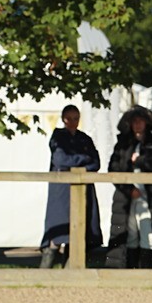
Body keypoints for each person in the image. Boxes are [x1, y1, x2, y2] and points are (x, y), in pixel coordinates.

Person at [105, 106, 152, 268]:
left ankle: (147, 268)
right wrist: (129, 190)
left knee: (148, 231)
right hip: (126, 196)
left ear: (146, 123)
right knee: (130, 232)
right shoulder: (123, 143)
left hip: (150, 195)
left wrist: (141, 161)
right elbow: (114, 169)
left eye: (140, 121)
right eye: (134, 121)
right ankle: (129, 268)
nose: (137, 125)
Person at [38, 105, 103, 268]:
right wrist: (83, 160)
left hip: (83, 190)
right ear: (63, 119)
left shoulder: (85, 139)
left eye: (76, 118)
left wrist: (78, 164)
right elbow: (61, 160)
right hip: (61, 192)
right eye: (69, 118)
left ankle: (70, 274)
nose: (73, 122)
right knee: (57, 233)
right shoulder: (58, 137)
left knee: (79, 235)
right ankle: (43, 276)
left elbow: (96, 162)